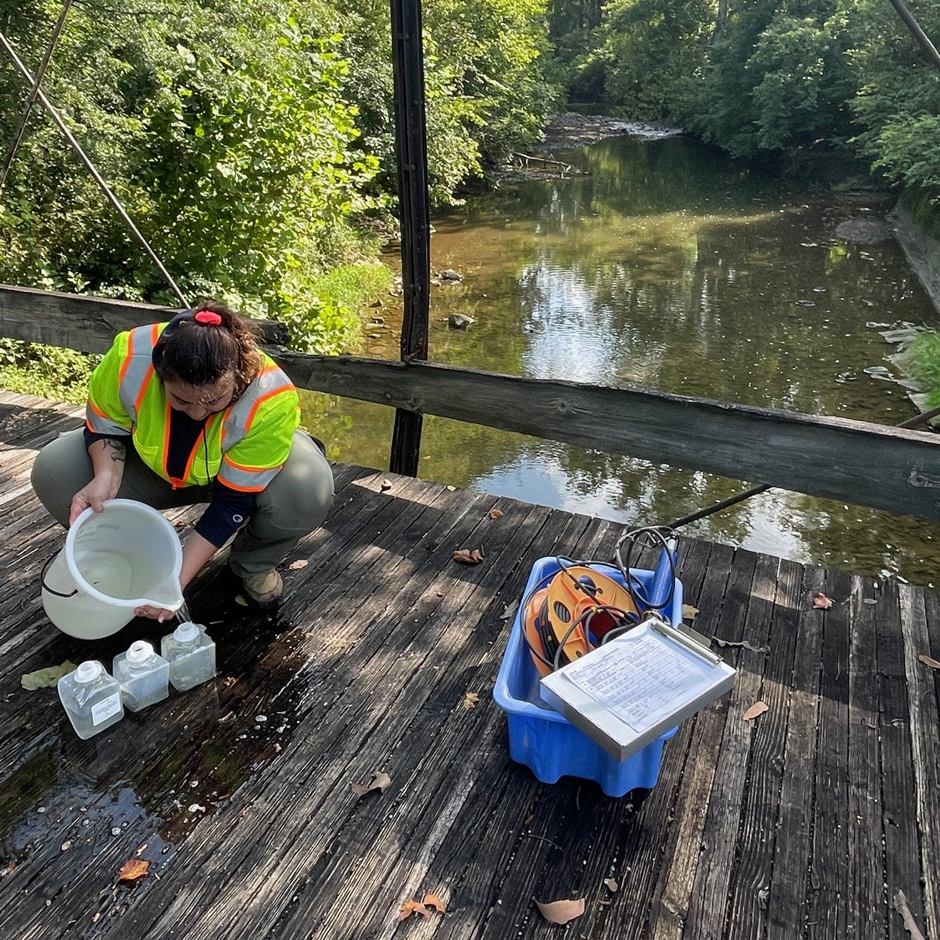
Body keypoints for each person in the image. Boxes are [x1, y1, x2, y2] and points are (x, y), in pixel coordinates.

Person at [31, 302, 334, 617]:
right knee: (55, 470)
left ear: (239, 372)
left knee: (307, 488)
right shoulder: (128, 358)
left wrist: (175, 583)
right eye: (181, 399)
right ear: (160, 373)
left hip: (238, 480)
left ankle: (252, 565)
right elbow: (105, 425)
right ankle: (135, 556)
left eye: (215, 399)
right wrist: (106, 474)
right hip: (154, 467)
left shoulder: (271, 398)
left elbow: (232, 503)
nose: (199, 412)